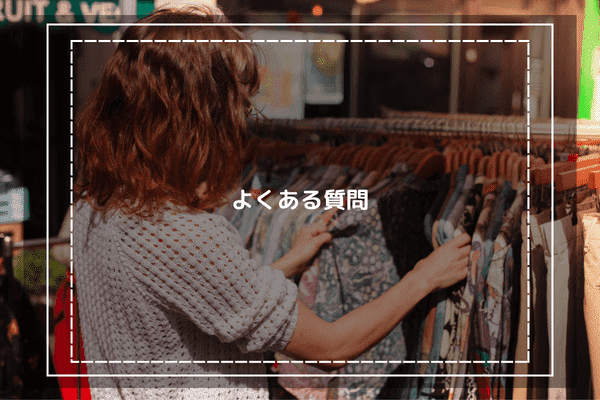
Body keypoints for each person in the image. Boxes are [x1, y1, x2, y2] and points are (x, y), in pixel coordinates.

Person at [72, 5, 471, 399]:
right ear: (199, 118)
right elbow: (331, 347)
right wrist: (423, 277)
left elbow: (199, 297)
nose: (244, 119)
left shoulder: (94, 208)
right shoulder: (183, 234)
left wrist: (290, 261)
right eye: (237, 106)